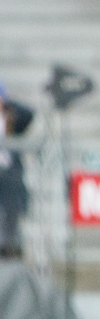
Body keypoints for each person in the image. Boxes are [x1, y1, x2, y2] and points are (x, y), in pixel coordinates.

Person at [0, 84, 33, 260]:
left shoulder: (11, 119)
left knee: (12, 213)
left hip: (9, 175)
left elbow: (29, 114)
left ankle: (11, 248)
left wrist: (8, 103)